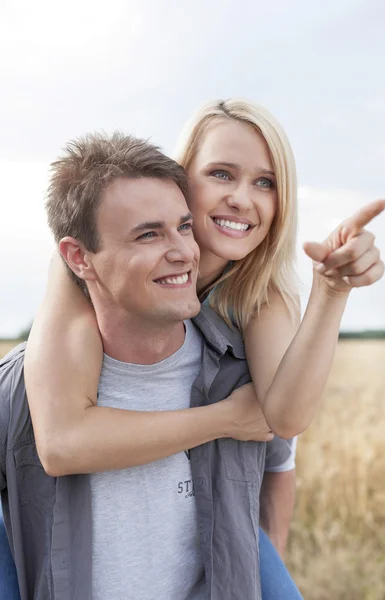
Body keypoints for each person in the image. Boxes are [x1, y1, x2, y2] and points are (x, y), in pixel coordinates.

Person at [0, 132, 303, 600]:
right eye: (148, 234)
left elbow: (278, 464)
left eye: (184, 227)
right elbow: (61, 443)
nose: (183, 250)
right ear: (78, 258)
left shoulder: (242, 361)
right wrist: (225, 420)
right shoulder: (26, 384)